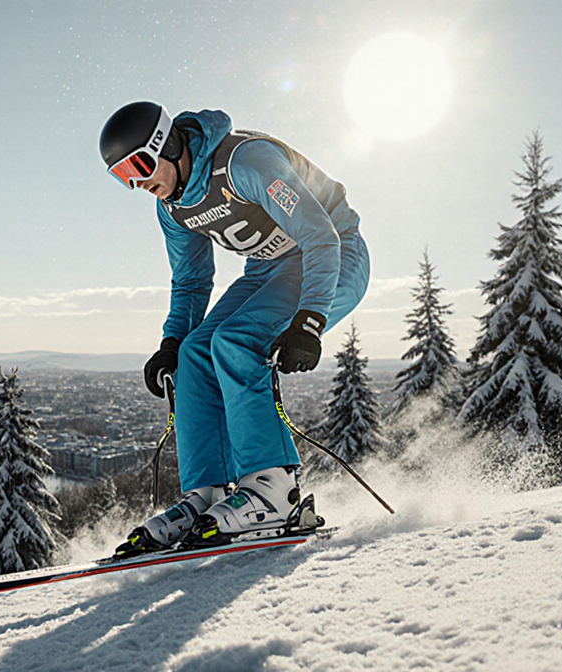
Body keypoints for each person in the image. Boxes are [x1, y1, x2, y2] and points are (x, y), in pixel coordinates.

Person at [100, 102, 370, 554]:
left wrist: (309, 320)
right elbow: (190, 281)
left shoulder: (244, 162)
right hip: (268, 269)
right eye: (123, 176)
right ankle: (209, 492)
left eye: (140, 165)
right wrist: (172, 341)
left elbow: (321, 235)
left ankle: (273, 490)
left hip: (334, 255)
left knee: (237, 341)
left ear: (167, 144)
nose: (138, 182)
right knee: (193, 355)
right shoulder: (173, 208)